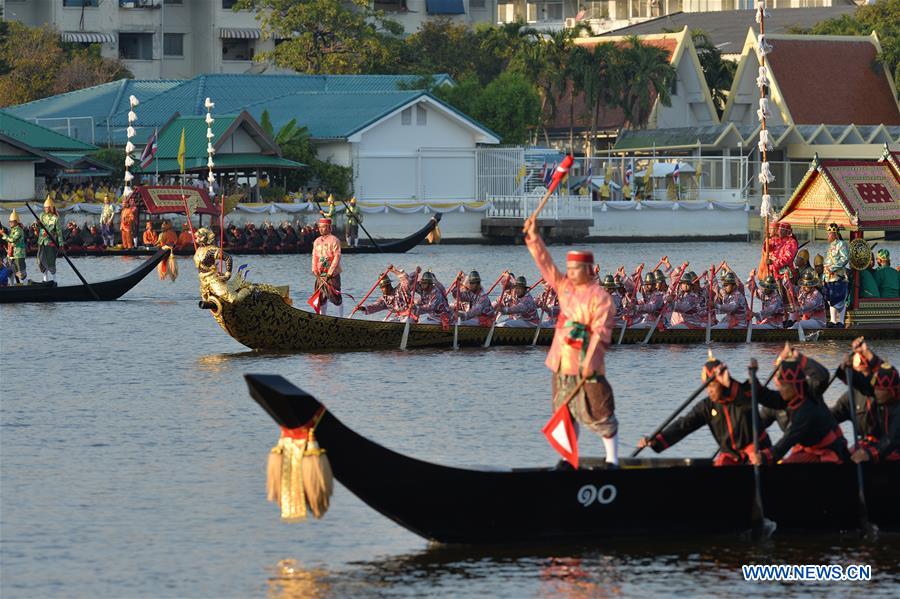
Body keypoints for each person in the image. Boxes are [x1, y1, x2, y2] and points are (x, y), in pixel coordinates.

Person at [524, 216, 618, 466]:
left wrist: (591, 361)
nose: (571, 273)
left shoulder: (600, 297)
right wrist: (533, 237)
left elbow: (601, 331)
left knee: (599, 409)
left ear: (588, 270)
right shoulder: (564, 287)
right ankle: (569, 459)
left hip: (587, 359)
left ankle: (612, 459)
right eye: (570, 269)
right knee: (565, 411)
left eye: (576, 270)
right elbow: (546, 266)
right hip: (562, 359)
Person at [638, 354, 775, 465]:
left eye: (712, 386)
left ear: (722, 382)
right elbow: (684, 425)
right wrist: (656, 440)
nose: (709, 391)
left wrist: (730, 383)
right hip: (732, 457)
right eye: (706, 387)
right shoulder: (707, 406)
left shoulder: (745, 392)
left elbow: (747, 403)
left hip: (759, 453)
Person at [750, 346, 850, 464]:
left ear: (794, 385)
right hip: (803, 449)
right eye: (777, 377)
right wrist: (753, 380)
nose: (777, 384)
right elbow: (766, 399)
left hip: (829, 451)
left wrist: (796, 355)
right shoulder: (783, 399)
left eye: (782, 383)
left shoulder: (809, 399)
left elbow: (788, 439)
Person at [834, 339, 900, 463]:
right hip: (869, 446)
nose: (876, 391)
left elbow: (893, 439)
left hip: (891, 450)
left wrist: (870, 454)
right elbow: (832, 416)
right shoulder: (856, 394)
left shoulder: (895, 404)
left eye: (865, 373)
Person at [311, 217, 343, 317]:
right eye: (319, 227)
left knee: (335, 296)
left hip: (332, 273)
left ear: (329, 228)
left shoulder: (334, 240)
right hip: (321, 273)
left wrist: (331, 271)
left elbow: (337, 256)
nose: (321, 229)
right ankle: (322, 317)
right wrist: (314, 269)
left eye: (323, 227)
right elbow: (314, 256)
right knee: (320, 296)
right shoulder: (316, 241)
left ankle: (341, 317)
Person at [823, 223, 849, 327]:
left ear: (834, 234)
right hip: (828, 277)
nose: (828, 236)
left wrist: (833, 267)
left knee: (840, 299)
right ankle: (833, 321)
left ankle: (841, 321)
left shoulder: (841, 244)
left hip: (837, 275)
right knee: (830, 299)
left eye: (829, 234)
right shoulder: (830, 246)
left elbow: (845, 258)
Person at [37, 196, 63, 282]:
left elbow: (59, 233)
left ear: (51, 207)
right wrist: (37, 224)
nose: (46, 209)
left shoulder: (56, 218)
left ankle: (55, 279)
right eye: (45, 207)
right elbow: (39, 227)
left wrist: (61, 245)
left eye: (47, 207)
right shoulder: (41, 216)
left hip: (50, 242)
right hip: (41, 241)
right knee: (40, 260)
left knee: (50, 261)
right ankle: (45, 279)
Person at [0, 209, 27, 284]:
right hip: (11, 254)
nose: (10, 223)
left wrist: (3, 234)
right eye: (10, 222)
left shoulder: (19, 230)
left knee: (20, 271)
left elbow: (12, 240)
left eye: (11, 222)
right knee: (10, 270)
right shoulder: (12, 230)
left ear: (16, 222)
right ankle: (12, 285)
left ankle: (26, 285)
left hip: (18, 254)